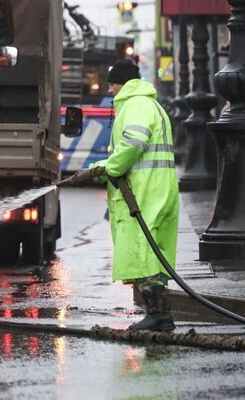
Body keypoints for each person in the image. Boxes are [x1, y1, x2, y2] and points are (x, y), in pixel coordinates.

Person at [65, 59, 179, 332]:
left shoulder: (135, 105)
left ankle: (158, 315)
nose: (110, 90)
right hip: (156, 187)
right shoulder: (150, 104)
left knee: (143, 248)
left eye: (112, 84)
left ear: (123, 84)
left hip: (145, 190)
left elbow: (133, 144)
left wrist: (110, 168)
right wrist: (99, 169)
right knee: (154, 250)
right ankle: (159, 314)